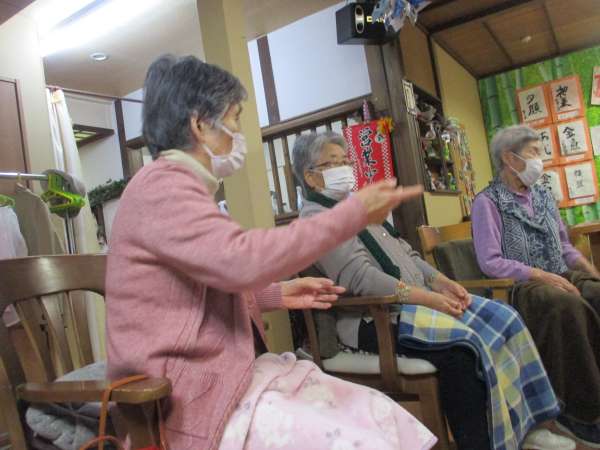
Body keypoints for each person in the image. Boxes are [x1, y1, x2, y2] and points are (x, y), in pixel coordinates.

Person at [105, 54, 434, 450]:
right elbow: (239, 260)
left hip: (214, 376)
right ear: (199, 124)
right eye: (233, 119)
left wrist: (274, 295)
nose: (237, 134)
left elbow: (195, 288)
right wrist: (353, 213)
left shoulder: (175, 187)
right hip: (179, 392)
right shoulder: (162, 189)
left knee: (374, 411)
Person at [293, 131, 575, 450]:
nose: (344, 168)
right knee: (463, 349)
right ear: (310, 177)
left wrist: (442, 282)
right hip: (376, 319)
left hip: (414, 304)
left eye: (346, 161)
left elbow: (408, 254)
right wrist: (430, 299)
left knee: (505, 318)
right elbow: (362, 278)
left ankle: (530, 425)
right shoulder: (317, 221)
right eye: (333, 163)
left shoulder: (357, 207)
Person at [472, 124, 600, 448]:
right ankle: (580, 412)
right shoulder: (487, 202)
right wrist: (539, 275)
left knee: (596, 292)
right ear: (509, 158)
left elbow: (564, 246)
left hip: (558, 273)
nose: (540, 159)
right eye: (533, 152)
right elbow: (490, 261)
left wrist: (590, 271)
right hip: (523, 285)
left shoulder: (543, 195)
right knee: (565, 305)